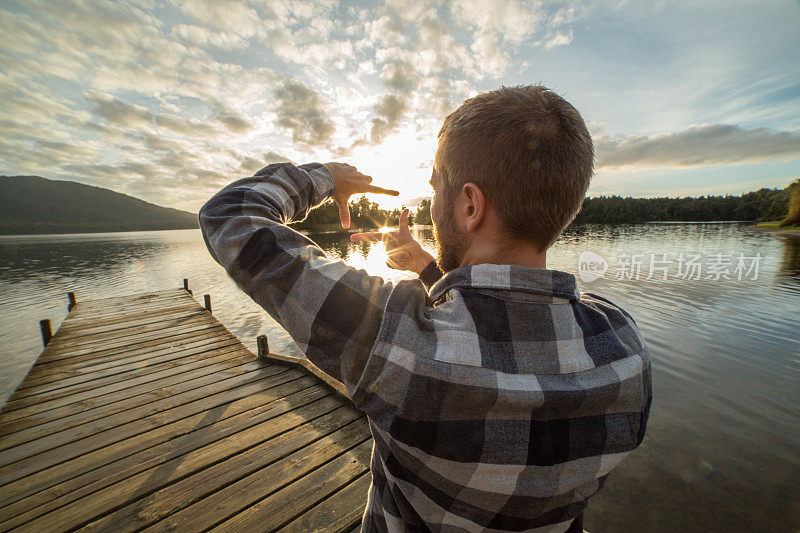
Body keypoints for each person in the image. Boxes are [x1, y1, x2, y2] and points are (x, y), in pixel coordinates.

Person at [199, 85, 652, 532]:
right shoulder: (623, 349)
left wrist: (327, 177)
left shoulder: (395, 339)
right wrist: (428, 268)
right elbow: (501, 332)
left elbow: (230, 217)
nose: (432, 207)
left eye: (436, 190)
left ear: (470, 205)